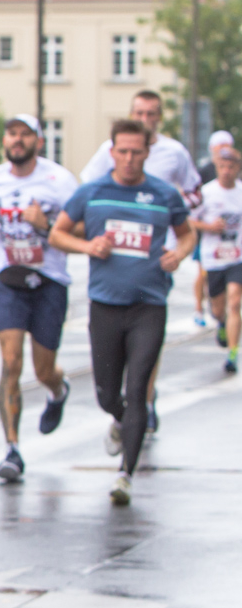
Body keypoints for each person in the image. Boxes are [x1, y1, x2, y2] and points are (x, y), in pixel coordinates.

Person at [50, 119, 194, 506]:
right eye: (123, 151)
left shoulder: (164, 194)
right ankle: (118, 419)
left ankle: (125, 474)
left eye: (136, 152)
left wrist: (178, 255)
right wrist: (89, 247)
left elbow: (187, 234)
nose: (129, 159)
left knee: (138, 388)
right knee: (107, 393)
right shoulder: (93, 192)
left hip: (149, 305)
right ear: (112, 152)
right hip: (106, 306)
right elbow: (57, 233)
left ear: (147, 153)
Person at [79, 91, 200, 434]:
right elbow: (88, 189)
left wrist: (169, 210)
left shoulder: (174, 152)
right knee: (113, 348)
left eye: (151, 114)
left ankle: (143, 399)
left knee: (147, 336)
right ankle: (127, 405)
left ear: (159, 118)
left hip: (156, 258)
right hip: (115, 258)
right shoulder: (112, 150)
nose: (145, 119)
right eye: (139, 113)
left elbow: (194, 192)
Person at [0, 114, 77, 484]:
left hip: (49, 279)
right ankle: (12, 449)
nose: (17, 140)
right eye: (11, 133)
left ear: (38, 141)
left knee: (43, 369)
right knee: (10, 361)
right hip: (8, 277)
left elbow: (81, 227)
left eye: (24, 134)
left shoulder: (59, 180)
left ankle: (57, 390)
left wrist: (45, 225)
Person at [188, 145, 242, 374]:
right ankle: (221, 322)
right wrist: (209, 227)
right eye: (222, 167)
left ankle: (233, 353)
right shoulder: (207, 192)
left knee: (235, 301)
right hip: (213, 257)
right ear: (217, 168)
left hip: (237, 256)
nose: (227, 171)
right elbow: (189, 220)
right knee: (219, 309)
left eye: (231, 167)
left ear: (237, 169)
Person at [192, 130, 232, 328]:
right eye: (219, 145)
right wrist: (207, 225)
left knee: (233, 285)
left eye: (226, 145)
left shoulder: (235, 168)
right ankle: (199, 308)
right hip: (208, 232)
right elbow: (192, 212)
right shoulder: (204, 172)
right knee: (203, 272)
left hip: (232, 236)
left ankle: (227, 311)